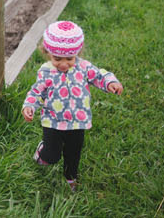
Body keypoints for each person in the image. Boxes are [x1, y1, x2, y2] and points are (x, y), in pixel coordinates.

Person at [21, 19, 123, 191]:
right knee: (51, 156)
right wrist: (29, 106)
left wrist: (109, 82)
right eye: (57, 58)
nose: (63, 64)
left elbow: (99, 75)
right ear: (47, 52)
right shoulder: (46, 71)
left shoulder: (84, 67)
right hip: (52, 122)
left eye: (69, 58)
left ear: (77, 52)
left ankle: (71, 178)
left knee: (73, 153)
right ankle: (43, 152)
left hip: (77, 122)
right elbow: (36, 92)